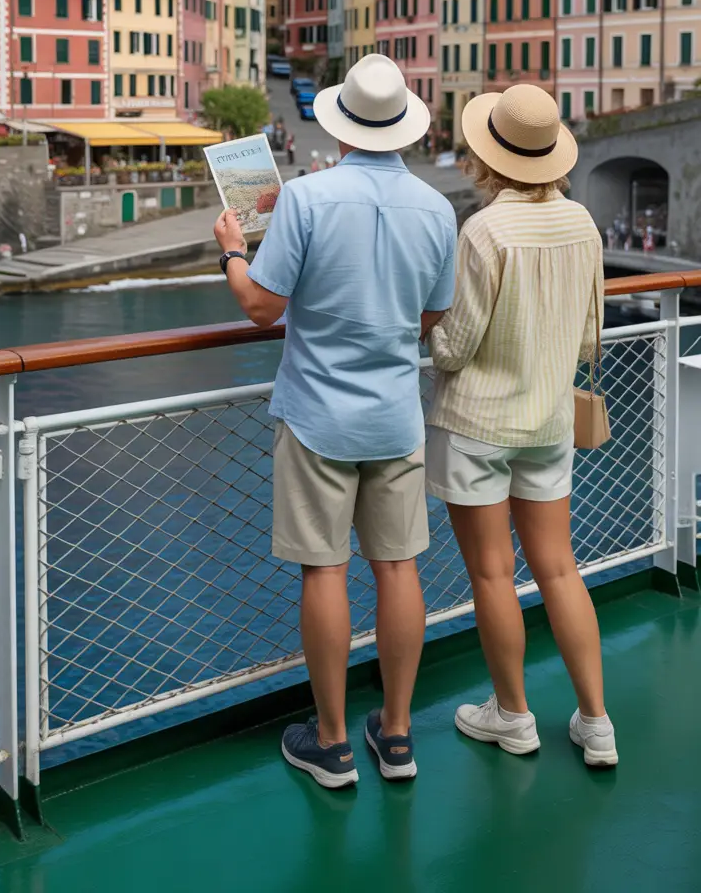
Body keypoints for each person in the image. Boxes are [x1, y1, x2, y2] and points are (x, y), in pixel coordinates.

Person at [214, 54, 456, 788]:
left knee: (326, 569)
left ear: (341, 124)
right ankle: (399, 733)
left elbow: (262, 305)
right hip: (394, 416)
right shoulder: (439, 209)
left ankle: (331, 742)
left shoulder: (308, 199)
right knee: (398, 566)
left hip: (318, 413)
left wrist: (230, 248)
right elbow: (432, 317)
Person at [425, 84, 618, 769]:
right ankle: (596, 723)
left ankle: (512, 716)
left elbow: (454, 347)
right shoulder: (583, 224)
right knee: (561, 569)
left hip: (479, 423)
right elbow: (590, 339)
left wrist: (427, 328)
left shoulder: (483, 231)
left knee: (492, 574)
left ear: (488, 156)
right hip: (548, 419)